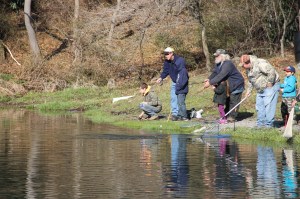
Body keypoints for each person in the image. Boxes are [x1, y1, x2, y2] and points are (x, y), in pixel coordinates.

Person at [204, 49, 245, 122]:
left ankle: (232, 117)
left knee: (234, 101)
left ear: (223, 56)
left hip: (236, 84)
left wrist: (210, 83)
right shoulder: (219, 64)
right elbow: (215, 73)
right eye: (215, 56)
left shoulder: (228, 64)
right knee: (228, 101)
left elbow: (221, 75)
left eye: (217, 56)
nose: (216, 57)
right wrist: (209, 79)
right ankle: (226, 116)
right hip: (229, 86)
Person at [240, 54, 280, 128]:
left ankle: (269, 125)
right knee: (259, 106)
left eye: (243, 65)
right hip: (260, 89)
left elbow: (271, 71)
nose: (242, 67)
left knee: (269, 106)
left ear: (248, 63)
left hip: (271, 86)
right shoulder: (248, 69)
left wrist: (270, 82)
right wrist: (248, 91)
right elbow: (250, 80)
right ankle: (260, 125)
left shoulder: (260, 63)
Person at [156, 47, 186, 121]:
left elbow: (181, 72)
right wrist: (161, 78)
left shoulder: (179, 60)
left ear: (171, 53)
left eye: (167, 54)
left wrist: (180, 82)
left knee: (180, 100)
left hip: (181, 82)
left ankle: (181, 115)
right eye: (164, 54)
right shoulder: (167, 62)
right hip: (174, 82)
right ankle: (175, 114)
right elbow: (165, 71)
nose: (165, 55)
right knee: (173, 98)